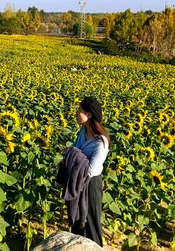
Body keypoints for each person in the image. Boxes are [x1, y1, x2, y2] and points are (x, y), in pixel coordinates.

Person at [59, 97, 110, 246]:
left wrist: (72, 152)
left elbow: (90, 170)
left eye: (79, 110)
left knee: (91, 223)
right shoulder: (83, 131)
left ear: (88, 115)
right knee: (78, 222)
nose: (76, 112)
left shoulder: (101, 142)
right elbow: (77, 149)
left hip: (91, 184)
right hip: (77, 181)